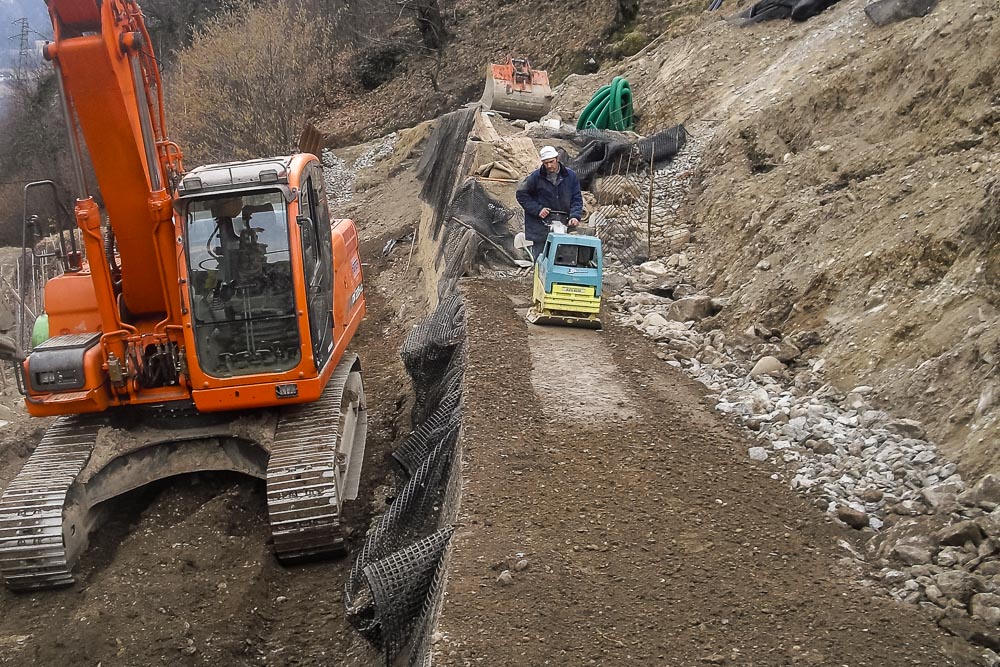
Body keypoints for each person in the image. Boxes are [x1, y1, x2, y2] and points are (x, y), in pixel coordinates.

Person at [515, 145, 584, 261]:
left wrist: (575, 216)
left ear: (557, 159)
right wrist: (537, 209)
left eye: (551, 162)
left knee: (561, 260)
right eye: (546, 163)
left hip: (563, 223)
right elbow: (521, 195)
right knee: (540, 260)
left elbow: (576, 198)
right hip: (540, 225)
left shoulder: (570, 176)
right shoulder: (535, 177)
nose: (549, 166)